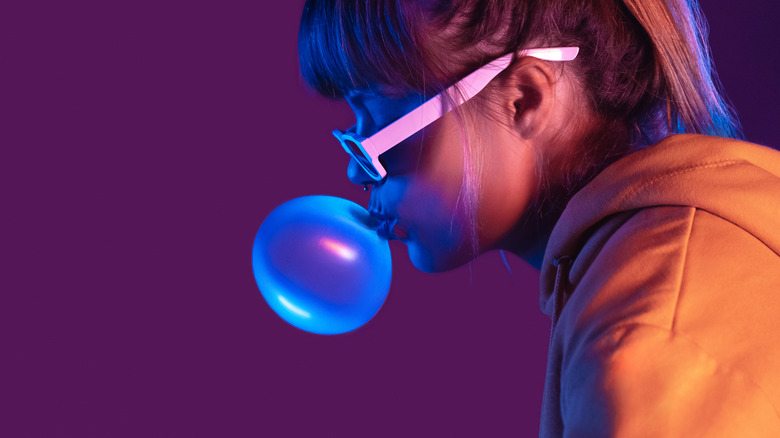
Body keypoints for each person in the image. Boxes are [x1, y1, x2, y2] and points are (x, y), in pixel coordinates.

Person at [297, 0, 780, 436]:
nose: (354, 168)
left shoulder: (649, 340)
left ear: (524, 99)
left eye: (377, 117)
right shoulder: (635, 281)